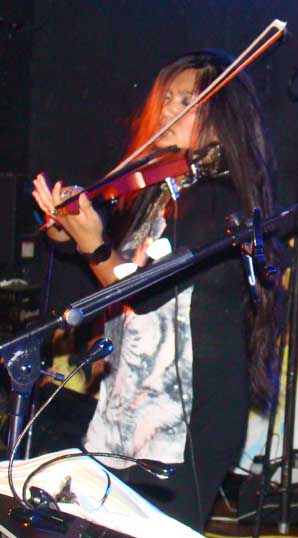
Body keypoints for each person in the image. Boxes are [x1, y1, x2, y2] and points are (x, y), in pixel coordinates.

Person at [32, 49, 281, 531]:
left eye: (185, 101)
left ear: (221, 117)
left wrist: (92, 244)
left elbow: (144, 292)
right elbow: (119, 262)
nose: (168, 110)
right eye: (165, 99)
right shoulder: (162, 193)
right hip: (133, 402)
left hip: (190, 413)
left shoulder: (220, 198)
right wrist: (69, 229)